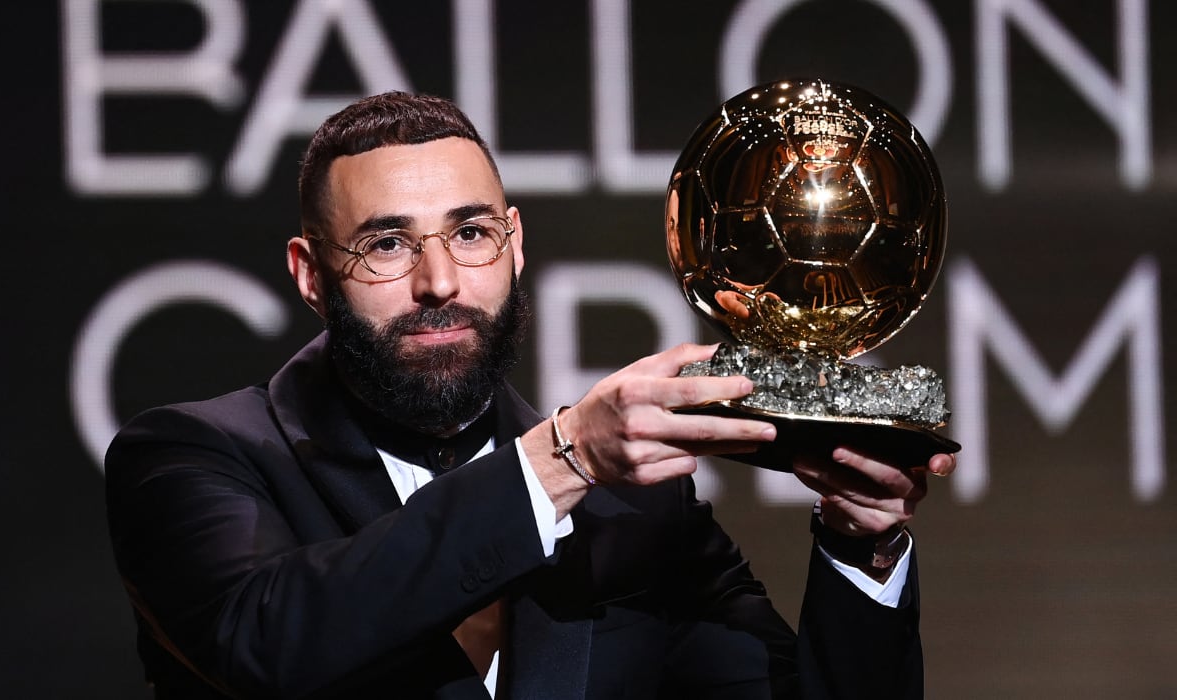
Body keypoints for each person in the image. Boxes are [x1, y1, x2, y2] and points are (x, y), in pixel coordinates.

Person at [105, 91, 956, 700]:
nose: (439, 281)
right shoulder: (193, 456)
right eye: (386, 245)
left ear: (514, 247)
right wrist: (566, 456)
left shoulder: (640, 513)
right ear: (311, 274)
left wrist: (861, 545)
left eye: (470, 233)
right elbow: (269, 648)